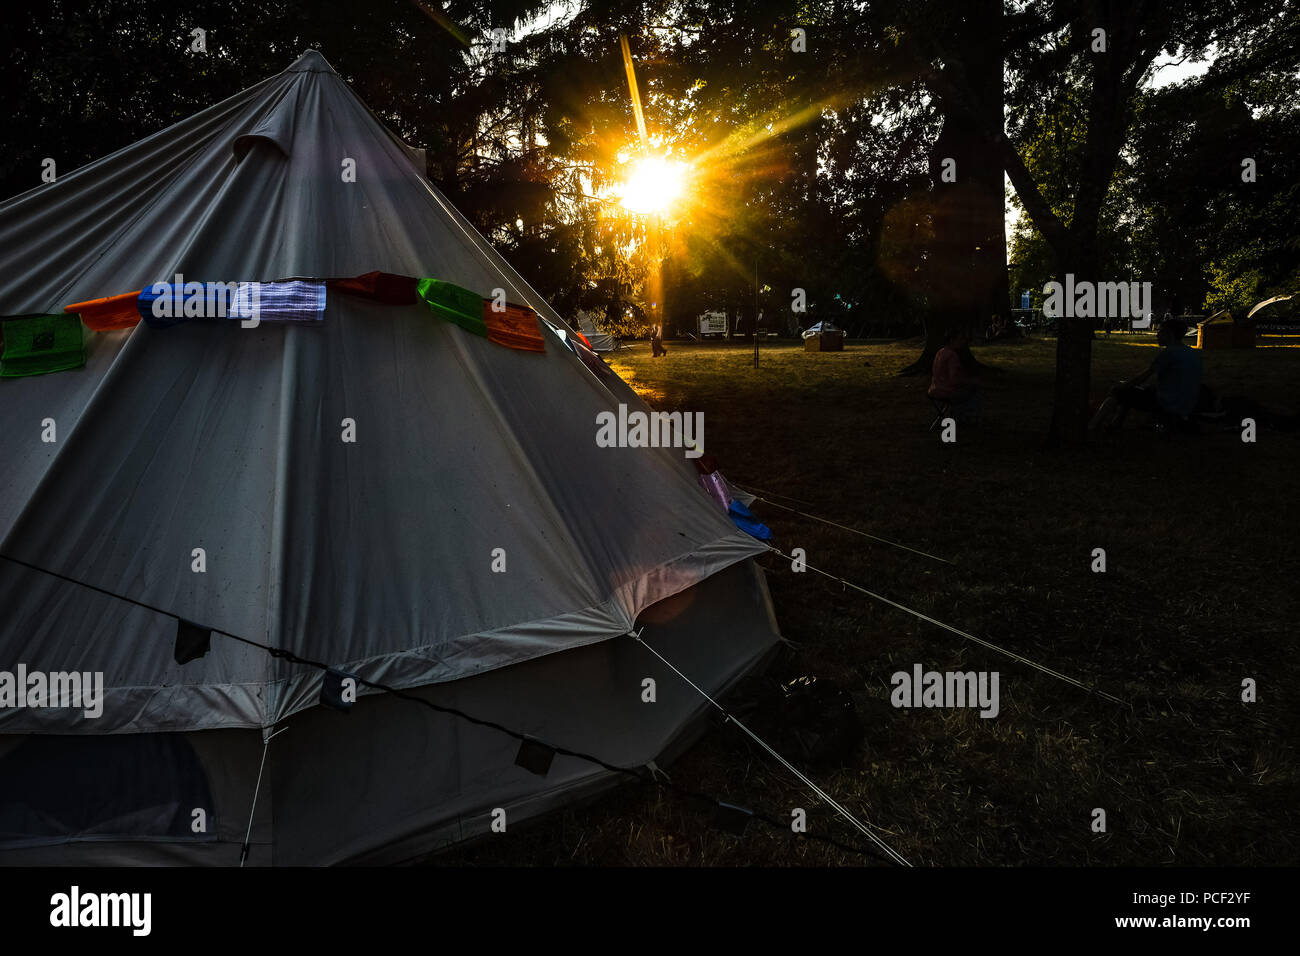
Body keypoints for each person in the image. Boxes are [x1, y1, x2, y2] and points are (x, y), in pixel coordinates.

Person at [1092, 317, 1202, 432]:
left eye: (1160, 331)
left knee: (1120, 391)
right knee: (1131, 391)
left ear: (1169, 334)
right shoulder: (1193, 353)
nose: (1157, 335)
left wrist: (1121, 386)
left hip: (1169, 405)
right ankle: (1115, 424)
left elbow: (1142, 378)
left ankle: (1093, 425)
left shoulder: (1170, 353)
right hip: (1187, 404)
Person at [928, 328, 983, 421]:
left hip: (934, 388)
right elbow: (955, 380)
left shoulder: (940, 352)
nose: (963, 341)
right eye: (960, 339)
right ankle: (964, 417)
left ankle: (958, 414)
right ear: (952, 340)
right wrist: (971, 381)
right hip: (946, 391)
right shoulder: (952, 356)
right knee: (976, 392)